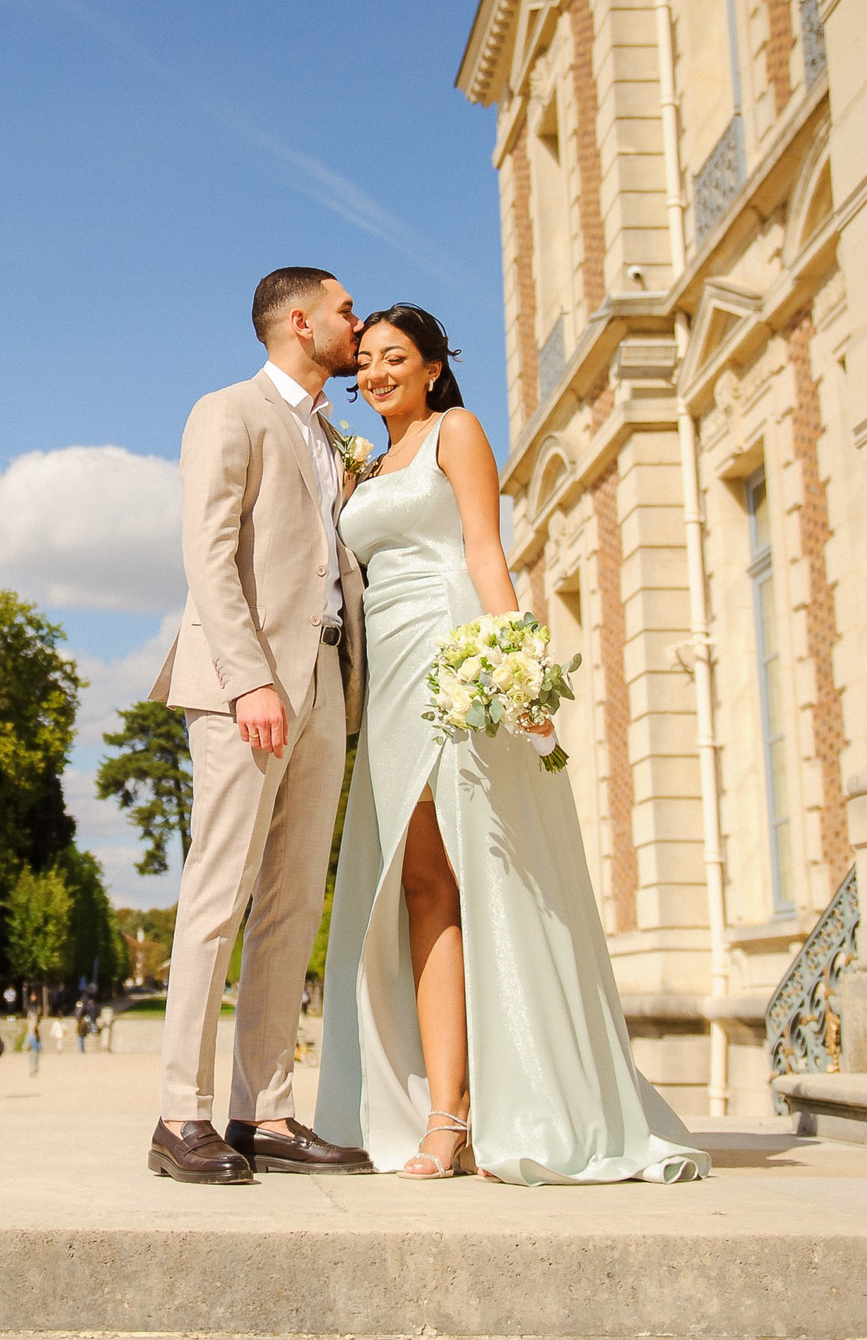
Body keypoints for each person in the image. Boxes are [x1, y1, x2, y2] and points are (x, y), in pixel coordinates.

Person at [315, 304, 707, 1185]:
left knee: (487, 872)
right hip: (389, 676)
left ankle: (515, 1104)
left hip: (455, 651)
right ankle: (445, 1115)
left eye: (395, 358)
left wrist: (521, 671)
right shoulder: (366, 467)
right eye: (366, 361)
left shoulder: (458, 431)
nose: (376, 373)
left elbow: (488, 554)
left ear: (431, 367)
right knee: (419, 887)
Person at [147, 267, 375, 1184]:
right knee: (219, 893)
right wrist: (249, 681)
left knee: (289, 902)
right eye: (346, 310)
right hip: (248, 686)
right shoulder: (227, 411)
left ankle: (266, 1111)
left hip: (323, 678)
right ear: (297, 320)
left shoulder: (328, 434)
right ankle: (179, 1115)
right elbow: (207, 551)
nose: (356, 323)